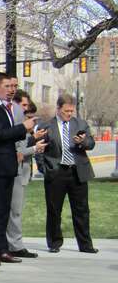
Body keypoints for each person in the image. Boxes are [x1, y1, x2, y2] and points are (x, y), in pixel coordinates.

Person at [0, 72, 35, 266]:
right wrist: (23, 128)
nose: (11, 91)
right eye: (7, 87)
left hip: (8, 165)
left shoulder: (7, 107)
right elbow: (0, 134)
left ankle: (1, 248)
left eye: (13, 87)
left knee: (4, 210)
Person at [38, 93, 98, 254]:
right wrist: (44, 169)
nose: (69, 114)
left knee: (82, 210)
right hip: (56, 172)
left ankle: (85, 245)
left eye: (71, 111)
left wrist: (83, 142)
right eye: (66, 111)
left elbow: (91, 143)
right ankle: (54, 243)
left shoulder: (80, 124)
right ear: (58, 109)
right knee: (54, 209)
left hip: (77, 172)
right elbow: (39, 150)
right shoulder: (46, 126)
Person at [7, 85, 47, 258]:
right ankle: (15, 245)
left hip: (23, 172)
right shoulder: (16, 125)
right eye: (24, 106)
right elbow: (18, 152)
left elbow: (23, 145)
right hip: (15, 172)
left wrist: (33, 138)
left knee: (17, 210)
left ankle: (13, 243)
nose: (27, 109)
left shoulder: (23, 127)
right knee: (14, 211)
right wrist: (35, 148)